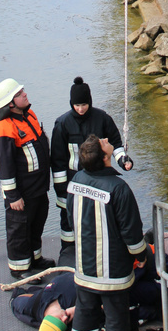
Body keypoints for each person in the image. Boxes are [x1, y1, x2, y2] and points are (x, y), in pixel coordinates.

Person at [67, 134, 147, 331]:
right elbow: (131, 231)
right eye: (103, 143)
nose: (105, 139)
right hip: (113, 271)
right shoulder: (119, 188)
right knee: (116, 316)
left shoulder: (76, 181)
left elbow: (72, 218)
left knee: (85, 311)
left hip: (84, 267)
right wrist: (141, 255)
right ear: (104, 158)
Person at [51, 77, 133, 250]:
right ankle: (68, 252)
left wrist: (123, 160)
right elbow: (58, 162)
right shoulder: (62, 124)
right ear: (71, 103)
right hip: (73, 182)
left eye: (84, 105)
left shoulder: (102, 119)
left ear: (90, 101)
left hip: (100, 180)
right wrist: (61, 193)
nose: (80, 109)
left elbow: (116, 145)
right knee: (68, 223)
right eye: (77, 105)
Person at [0, 78, 56, 279]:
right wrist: (12, 196)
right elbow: (4, 166)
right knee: (19, 230)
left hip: (38, 188)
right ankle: (20, 269)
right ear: (10, 103)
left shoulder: (29, 116)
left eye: (23, 91)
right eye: (19, 94)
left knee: (36, 224)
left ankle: (34, 259)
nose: (25, 94)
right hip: (21, 194)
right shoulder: (4, 128)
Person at [10, 271, 78, 331]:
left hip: (67, 271)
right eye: (65, 322)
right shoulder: (74, 313)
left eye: (60, 319)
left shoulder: (32, 305)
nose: (65, 318)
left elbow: (15, 300)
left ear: (49, 318)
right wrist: (77, 310)